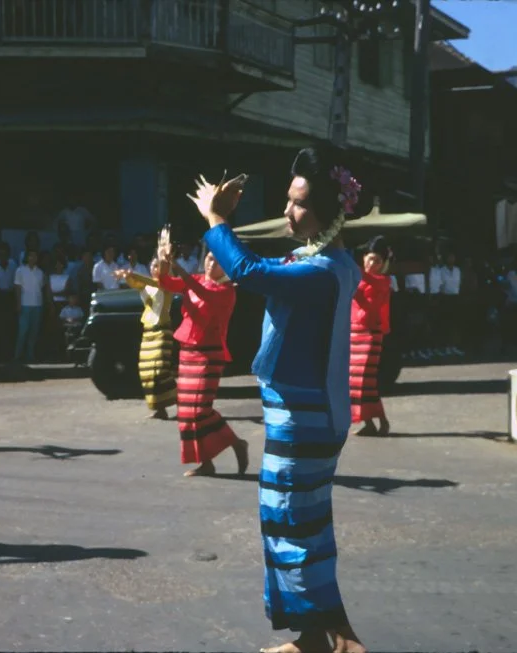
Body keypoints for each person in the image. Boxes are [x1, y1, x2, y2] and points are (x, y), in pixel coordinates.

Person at [189, 149, 368, 653]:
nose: (288, 212)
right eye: (288, 201)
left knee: (292, 523)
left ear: (330, 213)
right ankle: (312, 636)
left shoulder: (323, 270)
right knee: (295, 523)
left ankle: (343, 639)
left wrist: (217, 219)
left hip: (303, 418)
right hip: (304, 413)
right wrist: (228, 252)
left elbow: (252, 271)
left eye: (298, 204)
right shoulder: (322, 261)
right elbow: (255, 269)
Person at [156, 244, 247, 477]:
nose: (211, 263)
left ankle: (236, 443)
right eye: (208, 258)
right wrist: (164, 264)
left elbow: (202, 292)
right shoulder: (194, 280)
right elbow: (165, 283)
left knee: (200, 409)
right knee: (187, 412)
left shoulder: (226, 290)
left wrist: (178, 268)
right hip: (187, 352)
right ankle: (206, 462)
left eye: (216, 260)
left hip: (210, 354)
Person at [116, 256, 177, 419]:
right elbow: (136, 284)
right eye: (152, 266)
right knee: (147, 371)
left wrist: (132, 273)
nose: (153, 269)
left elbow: (154, 283)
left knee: (159, 369)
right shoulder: (146, 285)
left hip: (162, 330)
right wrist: (126, 276)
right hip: (148, 330)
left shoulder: (166, 284)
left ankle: (179, 396)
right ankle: (160, 409)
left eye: (157, 266)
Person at [350, 236, 393, 437]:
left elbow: (370, 308)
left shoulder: (384, 281)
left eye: (377, 260)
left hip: (371, 334)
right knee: (355, 382)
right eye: (369, 258)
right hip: (354, 332)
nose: (372, 263)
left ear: (383, 263)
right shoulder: (359, 277)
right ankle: (369, 423)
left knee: (367, 382)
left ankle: (382, 421)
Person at [13, 250, 46, 363]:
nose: (33, 258)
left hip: (37, 304)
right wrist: (18, 303)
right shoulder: (20, 270)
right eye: (31, 256)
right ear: (27, 258)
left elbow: (41, 288)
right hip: (25, 304)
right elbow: (17, 288)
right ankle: (18, 356)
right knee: (23, 331)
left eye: (35, 256)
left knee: (34, 332)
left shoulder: (40, 272)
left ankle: (30, 355)